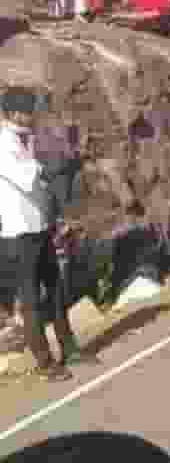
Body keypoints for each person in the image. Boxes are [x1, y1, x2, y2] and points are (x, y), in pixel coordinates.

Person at [0, 87, 88, 381]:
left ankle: (69, 348)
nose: (33, 115)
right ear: (14, 113)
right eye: (28, 111)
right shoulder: (3, 143)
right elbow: (29, 178)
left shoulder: (25, 138)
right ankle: (44, 362)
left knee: (55, 289)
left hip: (39, 224)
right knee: (30, 299)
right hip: (18, 232)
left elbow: (42, 180)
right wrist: (58, 166)